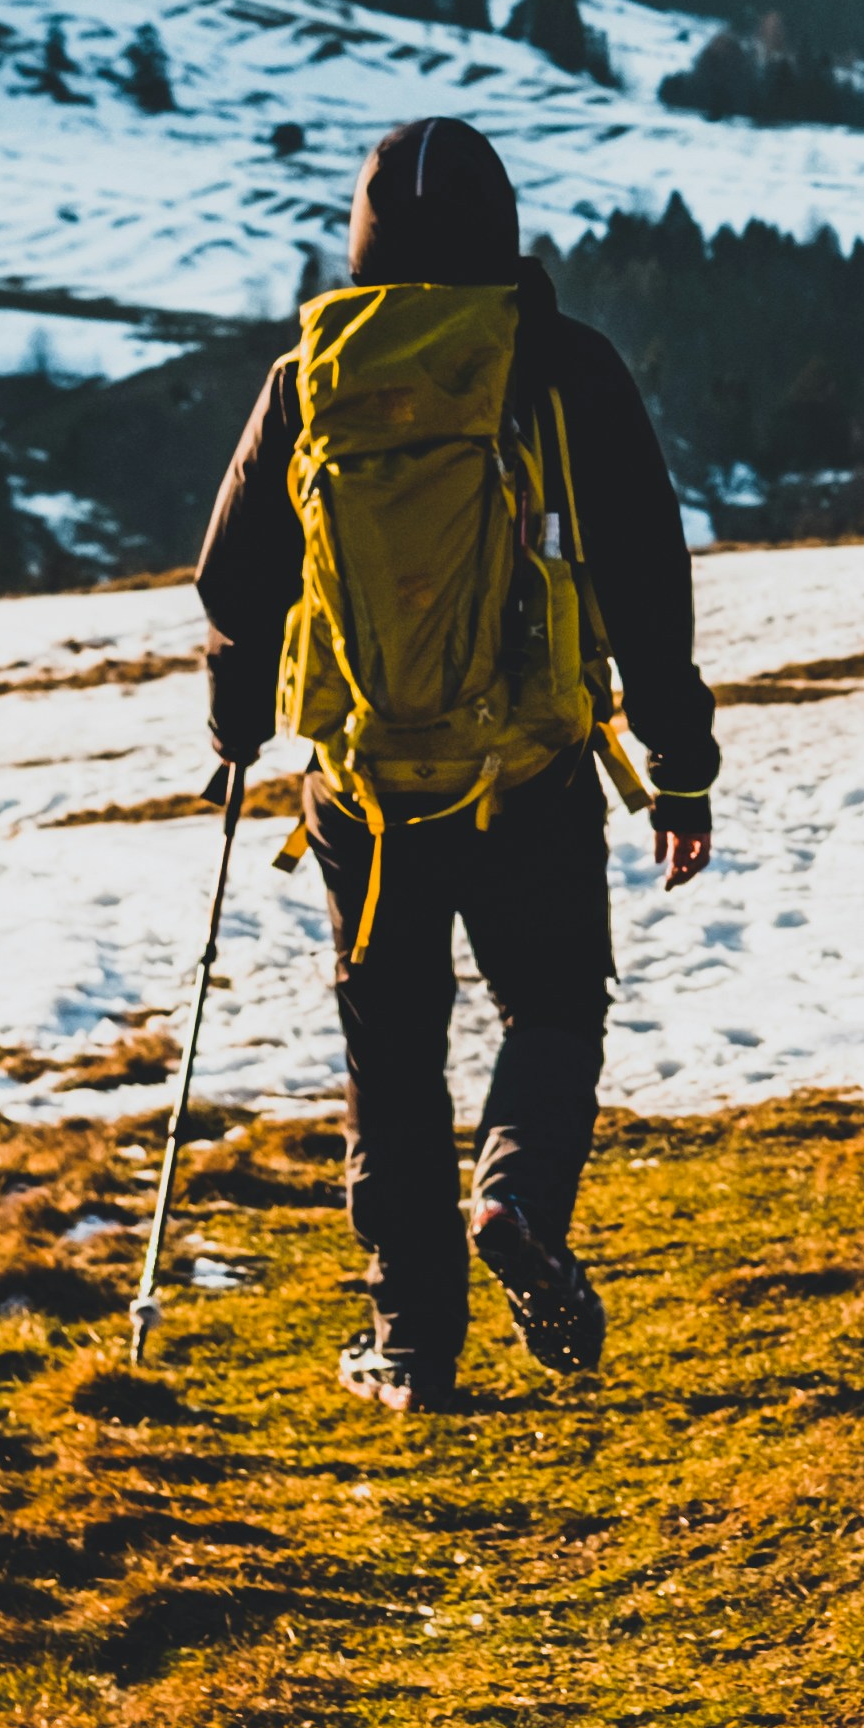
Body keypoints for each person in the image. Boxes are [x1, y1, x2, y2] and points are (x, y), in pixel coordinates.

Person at [196, 117, 717, 1415]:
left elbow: (232, 580)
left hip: (363, 786)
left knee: (393, 1053)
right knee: (551, 1009)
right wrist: (682, 762)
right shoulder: (560, 365)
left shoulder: (308, 377)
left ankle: (413, 1346)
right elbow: (647, 576)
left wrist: (233, 729)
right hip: (528, 769)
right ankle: (518, 1196)